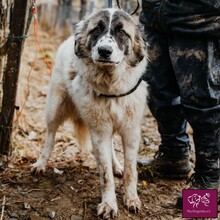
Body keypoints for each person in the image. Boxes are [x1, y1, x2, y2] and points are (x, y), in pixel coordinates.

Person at [139, 0, 220, 207]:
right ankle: (174, 157)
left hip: (198, 17)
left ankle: (210, 180)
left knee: (202, 101)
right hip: (155, 16)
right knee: (158, 92)